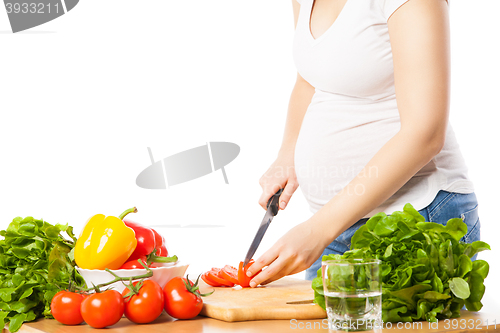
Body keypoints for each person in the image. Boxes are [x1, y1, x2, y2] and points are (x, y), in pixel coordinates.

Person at [245, 0, 480, 287]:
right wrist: (287, 153)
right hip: (332, 228)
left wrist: (318, 230)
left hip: (414, 220)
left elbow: (425, 134)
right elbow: (310, 78)